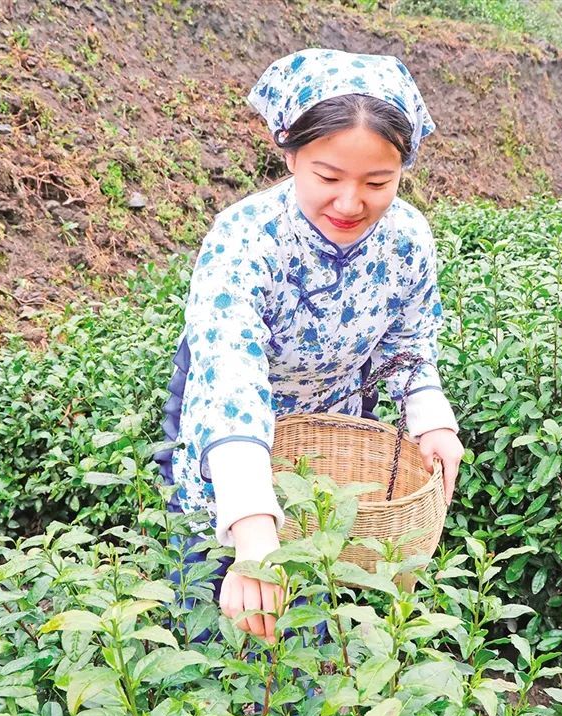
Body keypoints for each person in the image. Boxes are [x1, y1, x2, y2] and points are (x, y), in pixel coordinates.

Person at [154, 49, 465, 644]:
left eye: (378, 182)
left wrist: (431, 420)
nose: (350, 204)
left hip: (332, 421)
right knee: (217, 586)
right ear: (290, 153)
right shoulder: (245, 239)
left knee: (312, 587)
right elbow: (230, 378)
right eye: (327, 177)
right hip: (231, 422)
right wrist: (250, 524)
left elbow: (407, 344)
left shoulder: (407, 238)